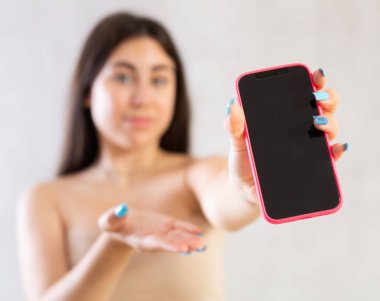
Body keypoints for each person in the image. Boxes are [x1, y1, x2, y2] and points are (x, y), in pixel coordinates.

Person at [16, 11, 347, 301]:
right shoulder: (45, 199)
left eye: (159, 79)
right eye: (123, 77)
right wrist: (115, 244)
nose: (142, 97)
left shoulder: (198, 176)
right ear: (88, 91)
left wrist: (250, 189)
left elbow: (229, 200)